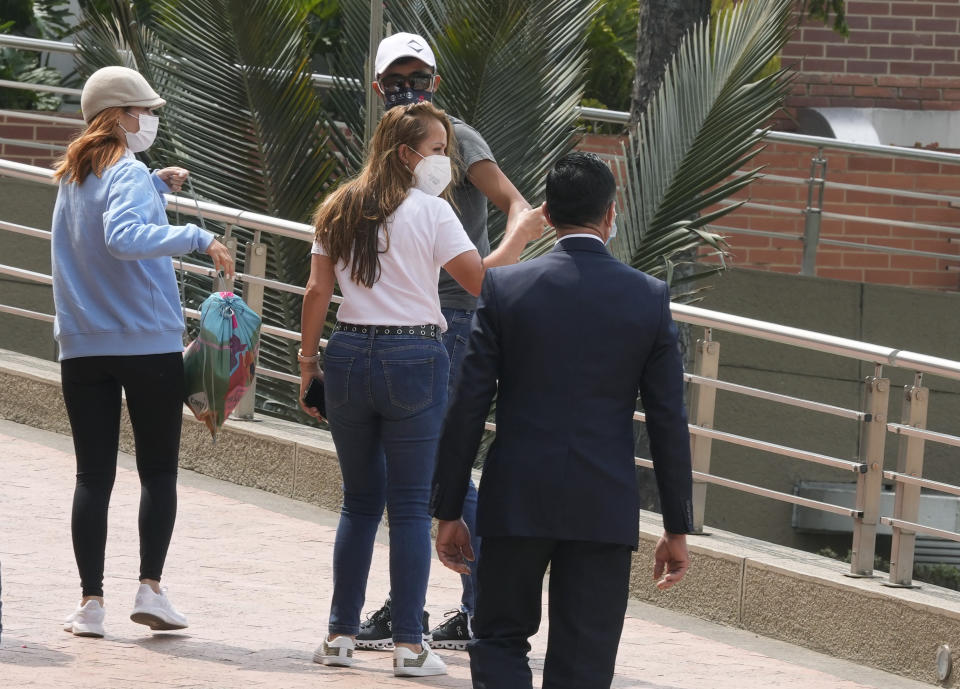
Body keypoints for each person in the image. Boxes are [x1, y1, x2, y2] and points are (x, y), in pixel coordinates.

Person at [430, 152, 695, 689]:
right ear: (611, 215)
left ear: (545, 215)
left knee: (499, 637)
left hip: (516, 499)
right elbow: (668, 419)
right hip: (603, 505)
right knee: (585, 656)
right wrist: (676, 525)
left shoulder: (505, 291)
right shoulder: (647, 298)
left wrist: (449, 508)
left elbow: (467, 404)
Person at [298, 101, 543, 677]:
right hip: (414, 354)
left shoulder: (337, 206)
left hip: (350, 350)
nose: (444, 163)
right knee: (409, 507)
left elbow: (315, 291)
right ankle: (409, 644)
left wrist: (309, 364)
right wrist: (522, 232)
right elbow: (483, 281)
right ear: (407, 154)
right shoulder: (430, 212)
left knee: (358, 504)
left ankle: (339, 634)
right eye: (437, 150)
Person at [355, 30, 533, 653]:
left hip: (454, 316)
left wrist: (494, 269)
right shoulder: (388, 148)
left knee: (432, 469)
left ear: (435, 82)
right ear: (379, 88)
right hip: (404, 321)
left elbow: (517, 205)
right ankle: (460, 606)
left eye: (419, 78)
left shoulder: (458, 140)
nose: (409, 88)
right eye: (397, 80)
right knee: (420, 470)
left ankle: (483, 607)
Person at [52, 66, 234, 639]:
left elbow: (108, 220)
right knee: (157, 470)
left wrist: (156, 184)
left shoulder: (73, 177)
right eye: (145, 111)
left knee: (93, 476)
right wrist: (197, 237)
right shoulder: (125, 170)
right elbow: (123, 237)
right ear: (122, 115)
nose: (150, 120)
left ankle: (91, 605)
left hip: (82, 348)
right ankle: (150, 590)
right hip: (146, 344)